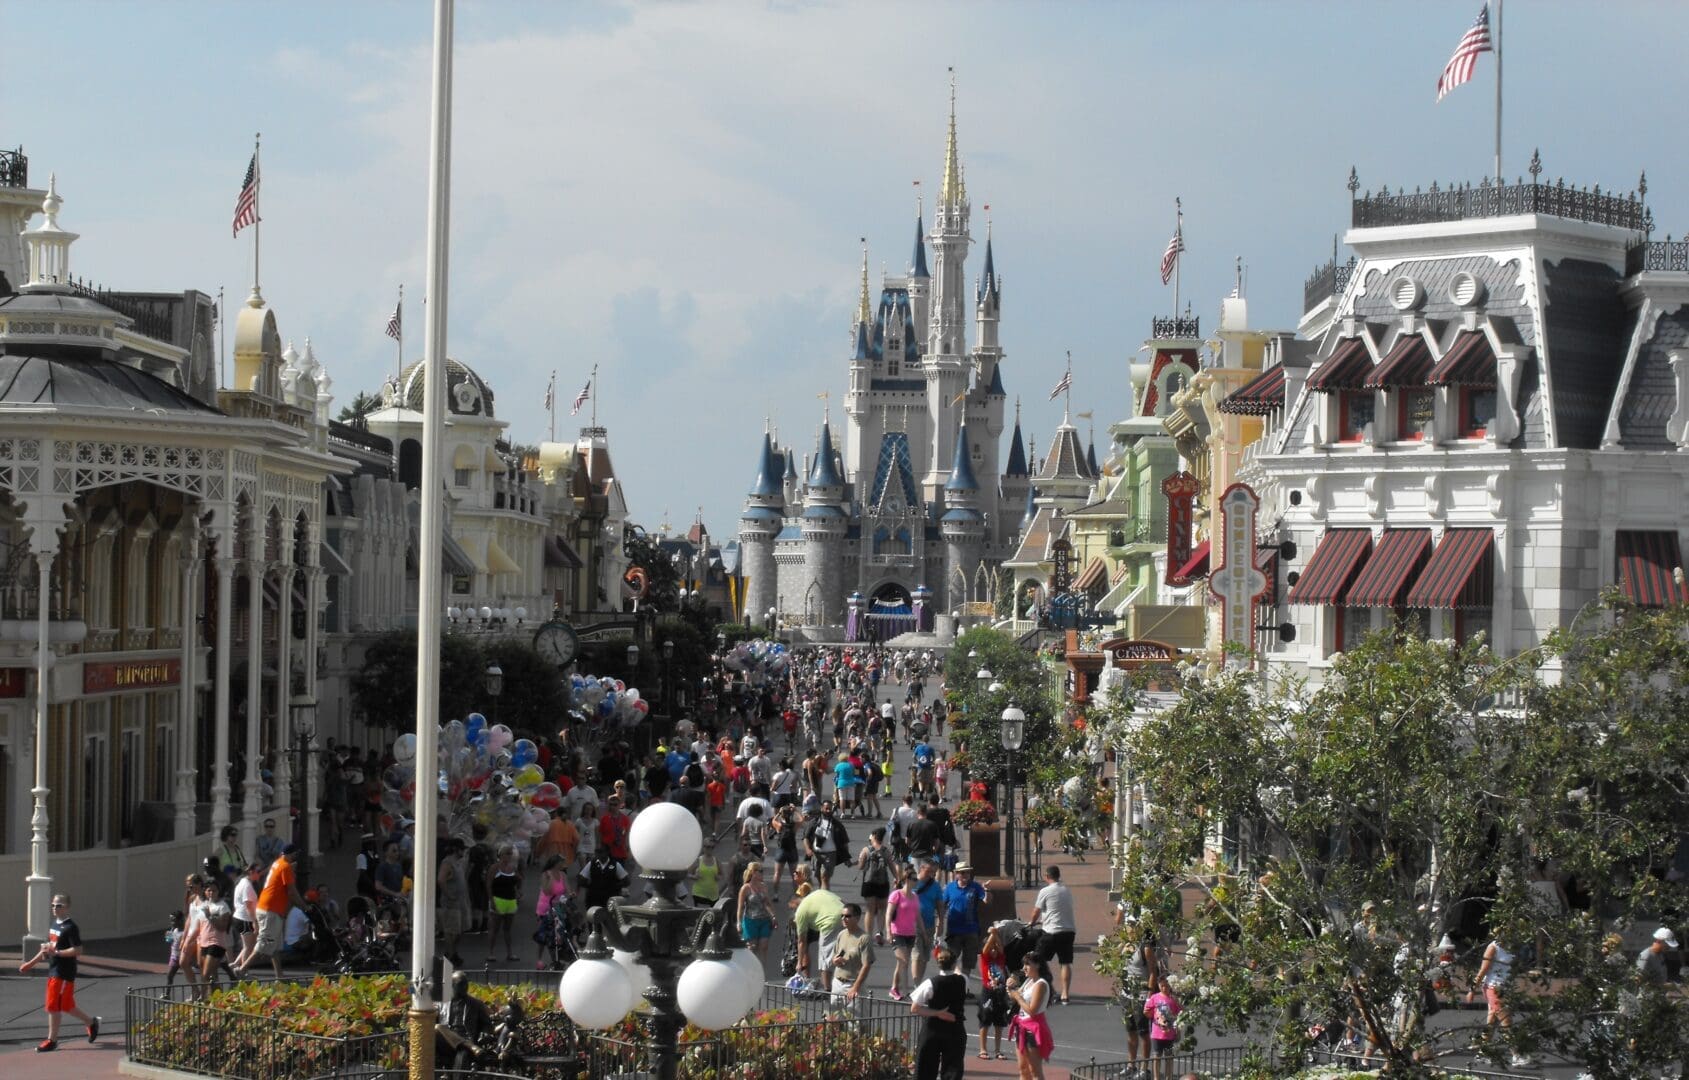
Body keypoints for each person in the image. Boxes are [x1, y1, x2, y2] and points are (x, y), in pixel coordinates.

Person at [20, 894, 99, 1052]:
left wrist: (58, 953)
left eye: (59, 905)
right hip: (54, 969)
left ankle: (52, 1040)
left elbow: (78, 949)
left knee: (52, 1006)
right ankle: (91, 1022)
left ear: (67, 907)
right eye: (53, 905)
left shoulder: (71, 927)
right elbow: (48, 947)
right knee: (66, 1005)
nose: (55, 908)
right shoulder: (54, 924)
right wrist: (30, 963)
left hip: (64, 973)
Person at [241, 842, 305, 979]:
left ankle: (279, 976)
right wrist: (304, 906)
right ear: (290, 854)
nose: (296, 856)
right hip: (271, 910)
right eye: (295, 854)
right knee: (265, 943)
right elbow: (292, 891)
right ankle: (241, 969)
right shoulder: (285, 866)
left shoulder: (278, 863)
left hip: (267, 908)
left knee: (274, 946)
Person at [909, 944, 967, 1080]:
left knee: (925, 1068)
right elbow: (958, 971)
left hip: (933, 1029)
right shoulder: (963, 980)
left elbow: (915, 1008)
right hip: (955, 1027)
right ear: (954, 963)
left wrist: (938, 1013)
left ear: (939, 964)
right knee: (953, 1069)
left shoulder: (930, 983)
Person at [1030, 865, 1077, 1005]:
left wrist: (1032, 922)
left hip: (1051, 931)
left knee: (1038, 960)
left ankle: (1045, 989)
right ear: (1059, 876)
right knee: (1065, 963)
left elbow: (1036, 911)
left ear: (1047, 876)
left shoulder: (1045, 891)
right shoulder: (1066, 890)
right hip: (1068, 931)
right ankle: (1065, 994)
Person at [1007, 952, 1054, 1079]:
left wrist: (1017, 997)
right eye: (1024, 964)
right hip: (1021, 1026)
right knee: (1023, 1068)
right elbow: (1015, 996)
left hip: (1033, 1029)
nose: (1024, 968)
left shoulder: (1041, 984)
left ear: (1038, 965)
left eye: (1027, 964)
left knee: (1035, 1071)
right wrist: (1010, 988)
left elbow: (1032, 1010)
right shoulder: (1029, 981)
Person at [937, 862, 987, 976]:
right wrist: (938, 927)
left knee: (968, 963)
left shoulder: (975, 887)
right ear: (956, 874)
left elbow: (987, 900)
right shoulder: (950, 888)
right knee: (950, 960)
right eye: (963, 872)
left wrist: (987, 891)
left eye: (968, 872)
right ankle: (952, 983)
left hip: (971, 930)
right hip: (954, 931)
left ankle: (966, 988)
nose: (966, 875)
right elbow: (942, 907)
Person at [792, 884, 845, 985]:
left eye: (792, 908)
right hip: (845, 914)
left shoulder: (800, 912)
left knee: (824, 958)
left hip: (830, 921)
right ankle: (844, 980)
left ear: (795, 903)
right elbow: (840, 900)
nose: (793, 911)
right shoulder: (818, 893)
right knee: (842, 951)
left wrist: (799, 963)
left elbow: (801, 942)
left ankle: (827, 990)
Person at [827, 902, 876, 1008]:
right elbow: (834, 956)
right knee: (835, 1020)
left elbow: (866, 965)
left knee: (855, 1022)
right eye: (842, 916)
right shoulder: (841, 934)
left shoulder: (864, 938)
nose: (844, 918)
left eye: (848, 916)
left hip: (852, 984)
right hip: (837, 983)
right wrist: (835, 960)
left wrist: (855, 988)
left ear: (857, 918)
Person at [977, 926, 1013, 1060]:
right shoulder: (985, 959)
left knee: (999, 1021)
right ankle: (983, 1049)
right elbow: (986, 948)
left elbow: (1001, 947)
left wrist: (994, 933)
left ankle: (998, 1050)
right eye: (991, 948)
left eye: (995, 947)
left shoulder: (1000, 959)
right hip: (987, 992)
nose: (993, 950)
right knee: (985, 1020)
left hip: (1000, 993)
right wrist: (992, 934)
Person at [884, 870, 920, 1001]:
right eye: (914, 879)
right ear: (907, 880)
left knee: (902, 963)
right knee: (903, 961)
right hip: (897, 932)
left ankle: (894, 988)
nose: (916, 881)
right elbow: (888, 914)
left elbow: (918, 916)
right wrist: (888, 931)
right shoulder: (896, 895)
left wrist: (922, 932)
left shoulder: (915, 896)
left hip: (910, 933)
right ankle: (905, 991)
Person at [856, 827, 895, 944]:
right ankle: (879, 932)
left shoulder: (866, 850)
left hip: (869, 882)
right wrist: (897, 878)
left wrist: (860, 861)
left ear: (873, 836)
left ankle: (868, 935)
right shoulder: (885, 851)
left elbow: (860, 866)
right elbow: (892, 867)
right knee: (882, 909)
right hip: (882, 883)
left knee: (870, 910)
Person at [532, 855, 570, 970]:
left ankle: (556, 960)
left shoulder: (563, 875)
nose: (563, 865)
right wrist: (552, 879)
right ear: (556, 863)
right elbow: (546, 891)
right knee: (543, 935)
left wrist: (570, 895)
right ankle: (539, 959)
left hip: (558, 908)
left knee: (557, 935)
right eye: (561, 862)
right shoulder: (546, 875)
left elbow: (567, 889)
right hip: (545, 907)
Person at [486, 845, 523, 962]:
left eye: (510, 853)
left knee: (507, 929)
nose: (509, 856)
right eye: (507, 853)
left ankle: (509, 953)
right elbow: (488, 884)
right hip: (498, 899)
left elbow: (519, 879)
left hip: (511, 900)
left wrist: (518, 891)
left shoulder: (513, 868)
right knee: (495, 928)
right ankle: (491, 953)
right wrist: (491, 900)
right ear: (500, 855)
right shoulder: (495, 868)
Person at [437, 839, 471, 966]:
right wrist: (449, 895)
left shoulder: (458, 863)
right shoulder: (447, 862)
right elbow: (441, 880)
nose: (464, 851)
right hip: (451, 903)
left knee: (460, 930)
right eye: (462, 849)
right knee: (452, 931)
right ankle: (450, 955)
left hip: (460, 901)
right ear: (456, 849)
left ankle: (452, 952)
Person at [1143, 972, 1181, 1079]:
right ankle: (1156, 1077)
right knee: (1156, 1057)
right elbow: (1147, 1012)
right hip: (1157, 1033)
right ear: (1159, 985)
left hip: (1170, 1034)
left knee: (1169, 1057)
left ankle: (1168, 1077)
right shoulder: (1154, 997)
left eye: (1166, 986)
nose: (1164, 988)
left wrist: (1178, 1032)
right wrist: (1147, 1012)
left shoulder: (1174, 999)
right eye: (1162, 985)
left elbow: (1179, 1016)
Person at [737, 863, 776, 960]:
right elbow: (741, 907)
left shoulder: (763, 886)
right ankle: (751, 970)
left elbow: (767, 903)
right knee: (752, 948)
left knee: (764, 947)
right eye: (761, 871)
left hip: (764, 920)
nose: (762, 873)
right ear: (753, 872)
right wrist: (739, 923)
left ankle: (762, 972)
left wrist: (773, 916)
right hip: (751, 920)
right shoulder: (745, 888)